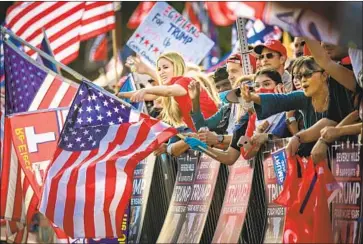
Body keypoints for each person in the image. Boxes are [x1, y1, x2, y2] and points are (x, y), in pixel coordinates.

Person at [240, 56, 357, 160]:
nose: (302, 80)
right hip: (314, 162)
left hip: (347, 158)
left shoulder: (339, 93)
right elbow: (281, 99)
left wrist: (298, 137)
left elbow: (336, 120)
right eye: (299, 76)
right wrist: (252, 97)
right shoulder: (303, 97)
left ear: (324, 75)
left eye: (307, 74)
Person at [118, 52, 218, 131]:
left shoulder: (185, 81)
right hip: (202, 133)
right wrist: (117, 95)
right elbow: (149, 94)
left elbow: (168, 90)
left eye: (165, 67)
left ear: (177, 66)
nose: (161, 72)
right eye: (159, 69)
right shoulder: (173, 88)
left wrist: (145, 88)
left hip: (213, 131)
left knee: (173, 141)